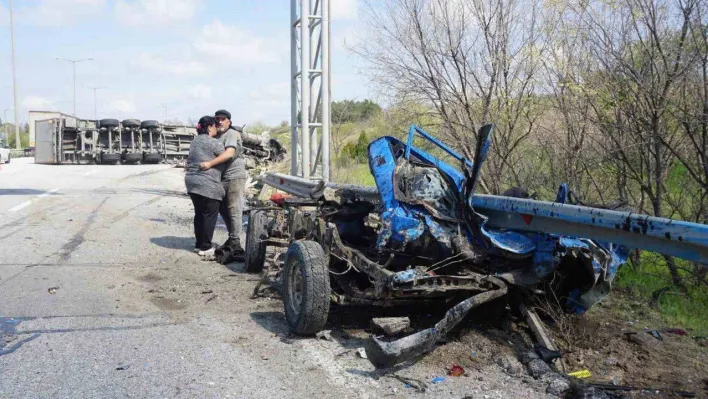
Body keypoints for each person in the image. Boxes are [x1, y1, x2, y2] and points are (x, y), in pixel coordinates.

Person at [199, 109, 246, 254]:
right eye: (217, 119)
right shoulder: (215, 136)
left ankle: (236, 242)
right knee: (222, 208)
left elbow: (229, 153)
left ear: (229, 122)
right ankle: (232, 238)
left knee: (234, 208)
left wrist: (210, 164)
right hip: (220, 177)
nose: (219, 121)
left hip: (234, 176)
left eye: (223, 119)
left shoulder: (231, 134)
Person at [185, 116, 225, 257]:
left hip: (192, 182)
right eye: (215, 126)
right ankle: (206, 247)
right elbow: (227, 156)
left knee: (200, 213)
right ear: (209, 127)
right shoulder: (214, 142)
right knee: (209, 214)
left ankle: (198, 244)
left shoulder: (194, 141)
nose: (216, 129)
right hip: (207, 183)